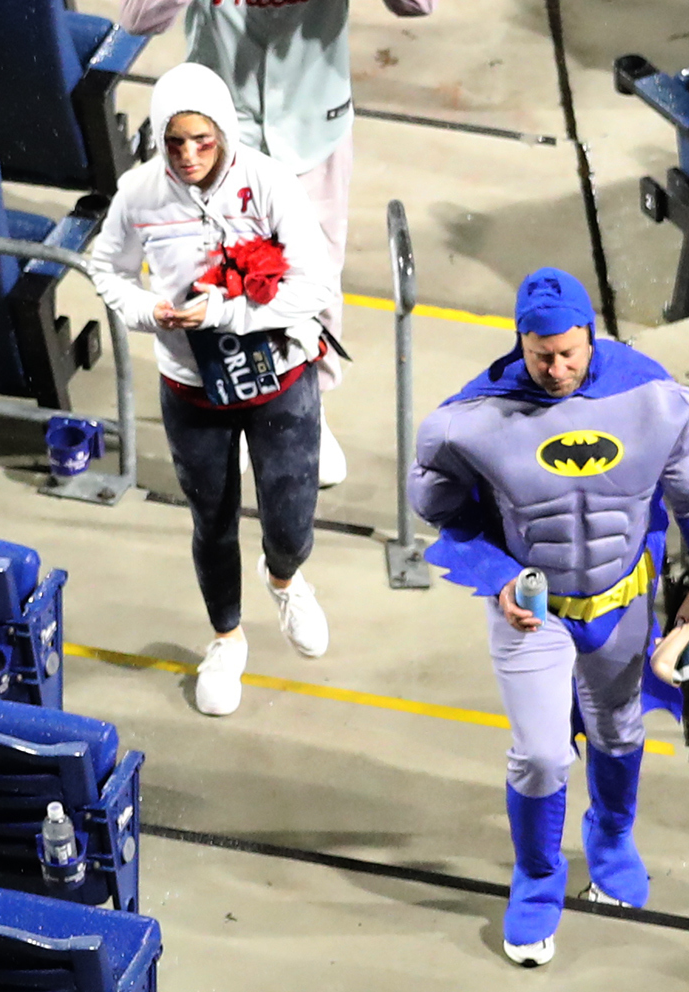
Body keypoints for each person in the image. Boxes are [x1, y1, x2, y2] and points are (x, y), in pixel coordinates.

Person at [409, 268, 689, 969]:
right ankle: (537, 878)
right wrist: (500, 575)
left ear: (591, 336)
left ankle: (613, 837)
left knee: (620, 729)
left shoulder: (656, 399)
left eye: (569, 352)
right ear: (521, 344)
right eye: (541, 355)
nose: (557, 368)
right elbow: (438, 510)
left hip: (621, 603)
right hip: (535, 611)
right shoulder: (469, 420)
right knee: (538, 754)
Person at [84, 63, 338, 719]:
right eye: (174, 143)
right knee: (212, 520)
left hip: (279, 377)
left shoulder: (269, 184)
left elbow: (315, 286)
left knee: (289, 517)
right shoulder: (139, 194)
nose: (189, 156)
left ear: (224, 132)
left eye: (202, 140)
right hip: (193, 388)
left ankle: (283, 577)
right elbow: (104, 267)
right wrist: (148, 312)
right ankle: (226, 639)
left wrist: (228, 314)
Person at [112, 0, 435, 487]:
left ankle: (309, 408)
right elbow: (138, 18)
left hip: (313, 129)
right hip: (218, 140)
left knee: (315, 277)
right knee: (208, 278)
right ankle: (227, 408)